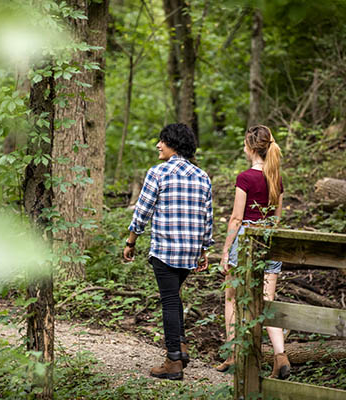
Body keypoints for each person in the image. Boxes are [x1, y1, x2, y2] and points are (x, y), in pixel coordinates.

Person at [123, 123, 213, 381]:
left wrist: (131, 242)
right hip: (190, 252)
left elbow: (142, 211)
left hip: (165, 249)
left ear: (173, 143)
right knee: (174, 297)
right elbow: (208, 216)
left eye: (162, 141)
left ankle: (173, 359)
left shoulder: (158, 173)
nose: (158, 145)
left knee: (170, 301)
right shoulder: (202, 176)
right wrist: (205, 249)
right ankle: (181, 346)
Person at [217, 125, 290, 380]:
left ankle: (234, 354)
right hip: (270, 241)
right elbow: (277, 219)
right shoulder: (276, 179)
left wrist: (226, 251)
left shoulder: (245, 178)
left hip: (246, 241)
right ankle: (280, 355)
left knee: (232, 296)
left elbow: (236, 218)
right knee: (267, 301)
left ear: (249, 148)